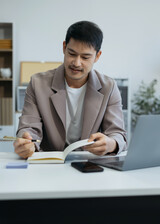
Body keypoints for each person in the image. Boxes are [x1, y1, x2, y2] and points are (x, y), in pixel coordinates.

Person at [14, 21, 127, 158]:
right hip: (49, 164)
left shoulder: (109, 87)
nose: (77, 63)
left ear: (97, 56)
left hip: (89, 163)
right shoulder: (38, 84)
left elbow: (117, 133)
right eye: (72, 54)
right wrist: (26, 142)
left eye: (85, 57)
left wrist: (111, 143)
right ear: (64, 47)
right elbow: (28, 128)